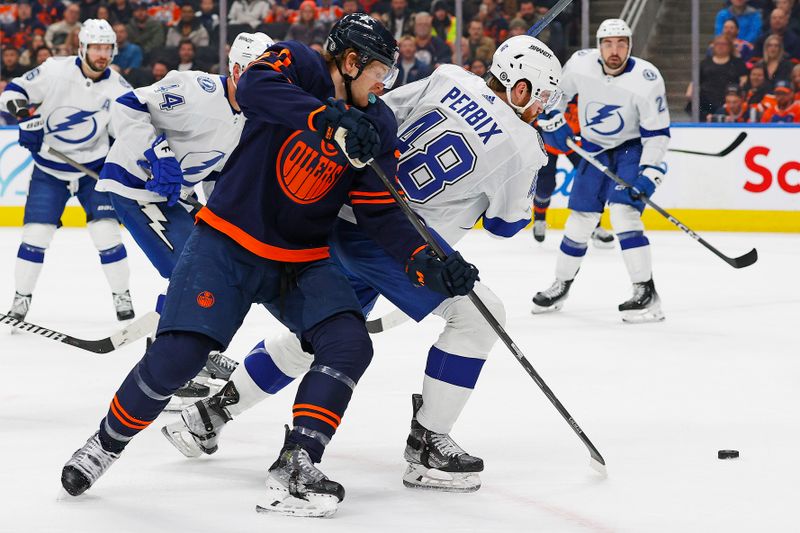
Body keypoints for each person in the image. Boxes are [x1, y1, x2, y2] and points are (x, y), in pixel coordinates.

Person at [59, 14, 478, 518]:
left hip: (300, 261)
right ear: (349, 61)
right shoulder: (299, 64)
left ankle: (297, 462)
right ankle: (105, 444)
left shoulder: (377, 125)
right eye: (378, 71)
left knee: (348, 343)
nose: (384, 83)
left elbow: (380, 210)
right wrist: (326, 117)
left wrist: (430, 262)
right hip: (226, 243)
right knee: (179, 358)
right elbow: (255, 86)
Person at [162, 34, 562, 495]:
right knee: (479, 317)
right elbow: (505, 225)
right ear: (522, 88)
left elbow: (380, 112)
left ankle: (206, 416)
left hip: (345, 211)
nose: (542, 108)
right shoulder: (525, 144)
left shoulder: (449, 77)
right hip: (397, 242)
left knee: (321, 334)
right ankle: (427, 443)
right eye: (543, 97)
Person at [96, 31, 273, 406]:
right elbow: (128, 104)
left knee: (211, 268)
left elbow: (220, 172)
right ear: (238, 70)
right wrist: (156, 151)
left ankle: (190, 352)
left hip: (173, 197)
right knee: (188, 271)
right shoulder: (197, 89)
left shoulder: (255, 117)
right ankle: (167, 365)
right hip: (135, 186)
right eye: (260, 72)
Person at [531, 19, 670, 323]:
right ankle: (561, 285)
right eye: (608, 44)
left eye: (621, 43)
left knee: (624, 214)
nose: (614, 50)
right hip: (593, 147)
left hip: (630, 150)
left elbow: (657, 134)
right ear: (598, 45)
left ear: (630, 46)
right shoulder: (580, 64)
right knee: (580, 220)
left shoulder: (647, 78)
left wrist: (650, 173)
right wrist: (553, 119)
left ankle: (645, 291)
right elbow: (555, 96)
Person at [0, 19, 136, 322]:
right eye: (96, 47)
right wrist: (24, 117)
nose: (102, 54)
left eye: (107, 48)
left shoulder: (119, 89)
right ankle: (21, 298)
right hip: (50, 170)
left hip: (93, 171)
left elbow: (131, 133)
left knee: (107, 233)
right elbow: (11, 92)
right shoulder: (54, 69)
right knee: (36, 234)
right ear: (82, 48)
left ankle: (121, 295)